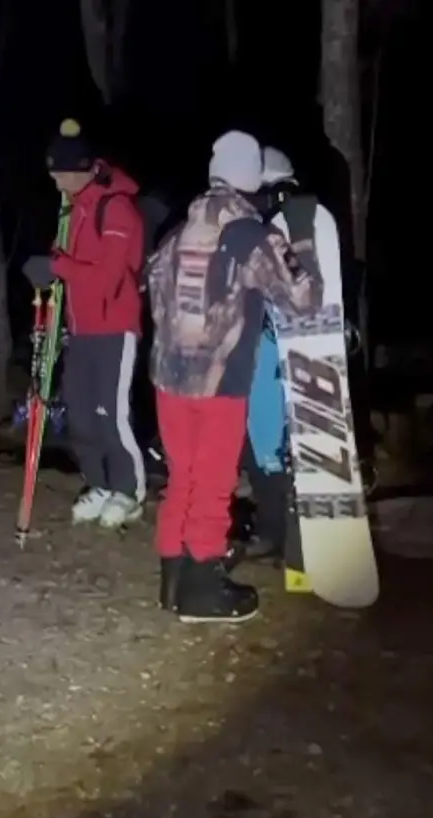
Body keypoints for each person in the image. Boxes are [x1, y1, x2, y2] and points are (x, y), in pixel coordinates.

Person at [144, 130, 321, 623]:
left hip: (170, 377)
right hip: (220, 381)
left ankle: (173, 578)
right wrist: (302, 235)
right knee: (215, 481)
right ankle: (203, 588)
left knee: (183, 477)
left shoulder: (178, 231)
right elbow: (303, 298)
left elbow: (154, 295)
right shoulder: (250, 234)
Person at [21, 119, 148, 528]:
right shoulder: (75, 207)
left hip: (114, 326)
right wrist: (49, 272)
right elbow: (69, 265)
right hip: (81, 327)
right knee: (78, 413)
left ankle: (129, 491)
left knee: (112, 414)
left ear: (83, 168)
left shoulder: (116, 208)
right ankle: (99, 483)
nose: (56, 180)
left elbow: (109, 276)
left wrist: (59, 265)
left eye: (61, 172)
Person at [239, 147, 350, 557]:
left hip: (296, 347)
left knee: (289, 439)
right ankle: (271, 528)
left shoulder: (306, 224)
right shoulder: (249, 226)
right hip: (259, 347)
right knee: (261, 439)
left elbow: (317, 287)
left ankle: (303, 533)